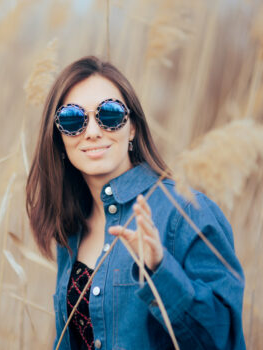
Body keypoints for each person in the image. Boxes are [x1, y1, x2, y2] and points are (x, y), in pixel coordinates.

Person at [25, 56, 245, 350]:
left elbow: (222, 339)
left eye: (110, 114)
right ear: (59, 137)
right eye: (73, 119)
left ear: (132, 128)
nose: (92, 132)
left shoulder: (186, 211)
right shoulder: (72, 226)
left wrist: (159, 269)